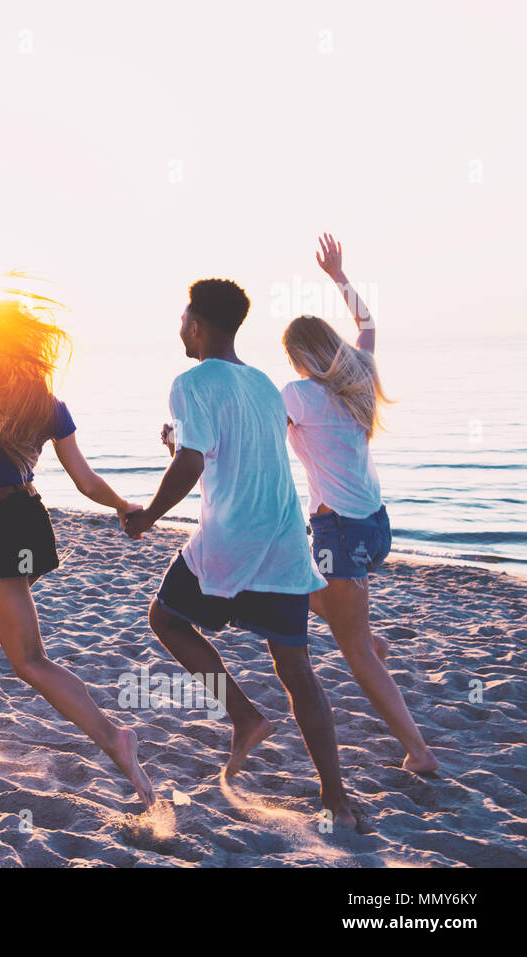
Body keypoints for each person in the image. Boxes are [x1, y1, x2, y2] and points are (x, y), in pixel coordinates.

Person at [123, 278, 361, 831]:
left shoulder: (189, 382)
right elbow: (233, 450)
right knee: (297, 669)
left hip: (231, 537)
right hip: (283, 539)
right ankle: (336, 801)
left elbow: (191, 464)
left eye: (184, 317)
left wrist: (147, 517)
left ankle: (245, 716)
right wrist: (182, 446)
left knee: (166, 618)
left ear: (198, 324)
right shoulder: (262, 384)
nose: (180, 326)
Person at [0, 299, 155, 807]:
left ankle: (114, 738)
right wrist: (121, 504)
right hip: (29, 523)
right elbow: (84, 481)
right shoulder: (46, 402)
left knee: (28, 659)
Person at [281, 234, 437, 774]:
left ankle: (419, 751)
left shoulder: (298, 395)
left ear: (299, 356)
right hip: (375, 528)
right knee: (287, 584)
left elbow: (259, 443)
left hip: (340, 534)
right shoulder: (360, 377)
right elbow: (368, 328)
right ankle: (364, 632)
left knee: (355, 655)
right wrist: (340, 277)